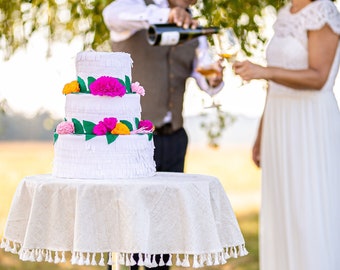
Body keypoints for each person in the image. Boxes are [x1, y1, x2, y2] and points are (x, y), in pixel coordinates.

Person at [102, 0, 224, 269]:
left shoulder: (194, 30)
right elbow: (110, 15)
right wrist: (167, 14)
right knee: (127, 235)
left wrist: (214, 80)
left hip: (174, 139)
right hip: (131, 142)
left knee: (161, 235)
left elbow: (206, 79)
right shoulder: (136, 8)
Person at [233, 0, 340, 269]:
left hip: (309, 121)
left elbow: (319, 77)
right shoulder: (284, 14)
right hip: (279, 121)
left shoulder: (322, 11)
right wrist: (261, 133)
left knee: (308, 210)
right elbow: (275, 86)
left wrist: (263, 71)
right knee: (284, 209)